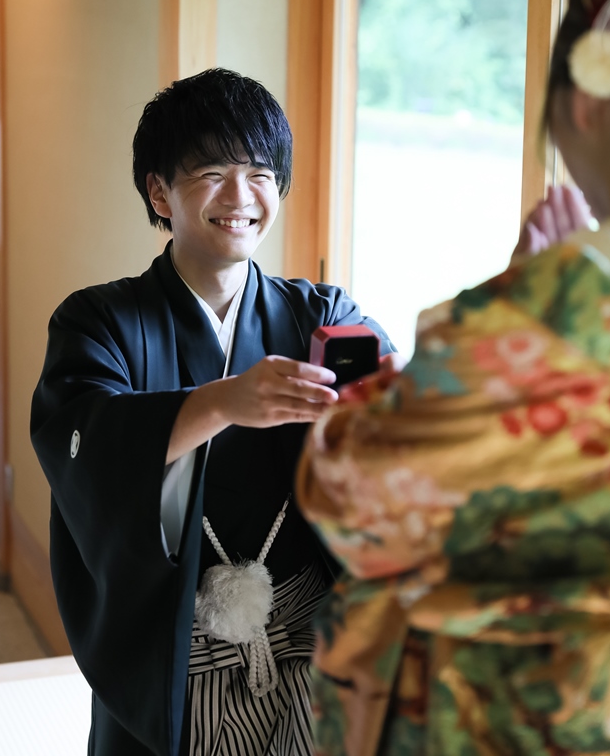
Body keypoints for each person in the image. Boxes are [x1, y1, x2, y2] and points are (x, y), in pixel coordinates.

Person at [297, 0, 610, 756]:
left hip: (537, 713)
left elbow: (348, 493)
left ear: (585, 102)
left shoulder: (563, 306)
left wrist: (512, 297)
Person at [30, 68, 397, 756]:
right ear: (159, 191)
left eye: (261, 174)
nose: (241, 196)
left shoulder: (321, 313)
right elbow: (82, 439)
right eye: (212, 173)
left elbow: (401, 426)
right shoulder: (98, 320)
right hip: (172, 650)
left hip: (308, 635)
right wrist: (220, 402)